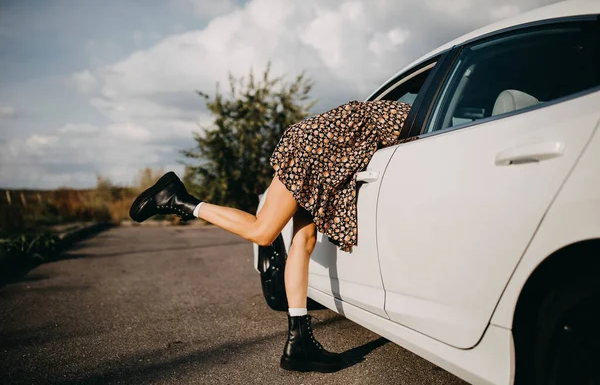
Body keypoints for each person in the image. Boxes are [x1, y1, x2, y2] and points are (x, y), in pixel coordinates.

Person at [129, 99, 412, 373]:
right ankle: (179, 200)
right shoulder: (431, 110)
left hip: (328, 144)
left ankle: (299, 341)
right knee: (263, 231)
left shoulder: (412, 109)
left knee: (304, 239)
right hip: (325, 146)